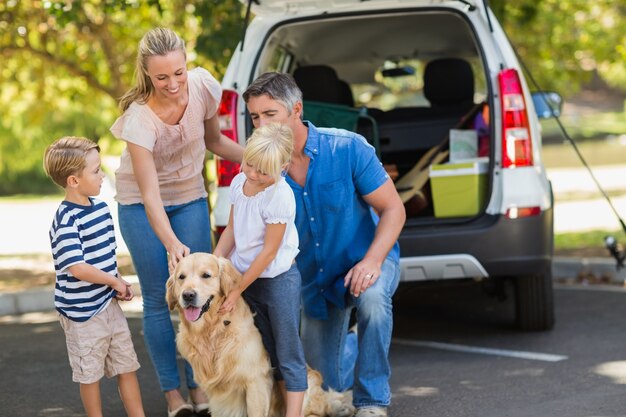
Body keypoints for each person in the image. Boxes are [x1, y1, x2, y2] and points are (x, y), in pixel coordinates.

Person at [243, 72, 406, 417]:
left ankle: (372, 401)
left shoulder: (348, 148)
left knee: (374, 302)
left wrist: (373, 261)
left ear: (296, 109)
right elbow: (247, 231)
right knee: (323, 387)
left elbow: (393, 209)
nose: (260, 125)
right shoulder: (263, 171)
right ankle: (352, 350)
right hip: (316, 286)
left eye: (269, 114)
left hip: (365, 262)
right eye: (255, 117)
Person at [109, 27, 243, 417]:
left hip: (189, 197)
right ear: (147, 74)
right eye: (162, 77)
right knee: (159, 298)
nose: (172, 84)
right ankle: (173, 395)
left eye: (178, 73)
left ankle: (201, 386)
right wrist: (171, 244)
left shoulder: (203, 87)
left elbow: (216, 142)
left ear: (187, 64)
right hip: (140, 205)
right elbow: (150, 195)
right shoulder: (139, 120)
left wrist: (254, 158)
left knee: (203, 293)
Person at [43, 136, 145, 417]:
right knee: (90, 374)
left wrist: (116, 281)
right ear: (74, 180)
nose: (102, 176)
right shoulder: (66, 220)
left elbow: (104, 259)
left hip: (108, 305)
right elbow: (77, 267)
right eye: (96, 170)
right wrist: (113, 281)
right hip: (81, 314)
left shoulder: (100, 210)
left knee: (127, 366)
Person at [213, 122, 307, 417]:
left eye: (263, 171)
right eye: (249, 164)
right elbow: (231, 229)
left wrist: (236, 289)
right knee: (262, 348)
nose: (253, 174)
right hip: (245, 280)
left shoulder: (279, 195)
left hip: (277, 282)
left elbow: (268, 252)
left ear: (282, 167)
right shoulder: (241, 183)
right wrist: (216, 264)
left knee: (287, 351)